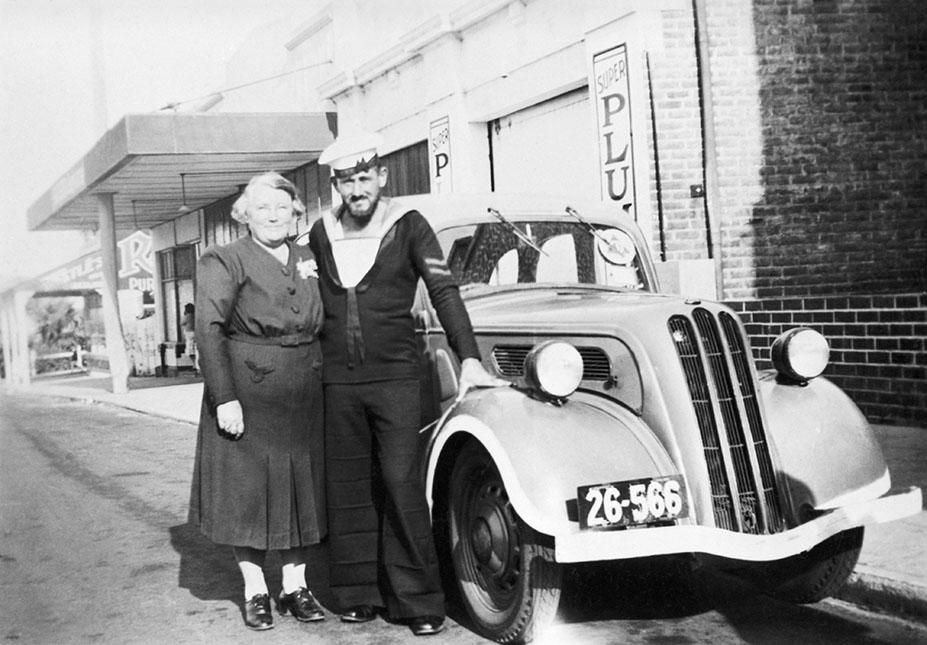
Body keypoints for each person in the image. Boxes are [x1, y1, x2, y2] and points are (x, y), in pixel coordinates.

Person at [309, 130, 508, 637]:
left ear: (380, 176)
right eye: (344, 181)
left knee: (401, 485)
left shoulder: (409, 225)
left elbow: (444, 290)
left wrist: (469, 358)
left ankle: (418, 601)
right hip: (339, 381)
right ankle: (356, 594)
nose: (355, 189)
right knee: (348, 487)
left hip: (398, 377)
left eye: (362, 178)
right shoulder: (319, 231)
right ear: (336, 184)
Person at [188, 172, 326, 631]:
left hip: (305, 390)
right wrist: (224, 397)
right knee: (247, 493)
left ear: (295, 212)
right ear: (244, 214)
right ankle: (255, 589)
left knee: (300, 489)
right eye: (262, 207)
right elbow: (208, 330)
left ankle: (295, 585)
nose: (273, 215)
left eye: (283, 207)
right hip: (247, 392)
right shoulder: (222, 260)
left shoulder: (310, 256)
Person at [181, 303, 197, 371]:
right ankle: (196, 365)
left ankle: (194, 365)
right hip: (196, 333)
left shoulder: (187, 316)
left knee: (190, 351)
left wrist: (184, 314)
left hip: (189, 334)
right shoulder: (195, 315)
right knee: (195, 350)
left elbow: (181, 323)